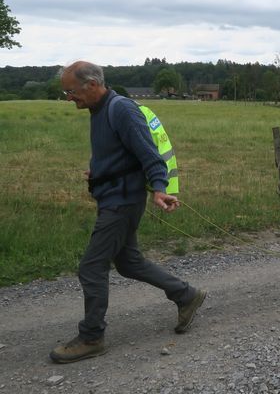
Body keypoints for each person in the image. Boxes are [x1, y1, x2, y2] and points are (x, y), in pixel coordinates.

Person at [50, 61, 206, 364]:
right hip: (113, 198)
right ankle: (186, 295)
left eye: (71, 91)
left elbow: (150, 155)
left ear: (92, 85)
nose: (68, 97)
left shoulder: (121, 109)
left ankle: (91, 337)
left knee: (92, 267)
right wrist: (97, 172)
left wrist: (160, 188)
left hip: (122, 203)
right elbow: (119, 155)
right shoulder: (99, 111)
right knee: (129, 262)